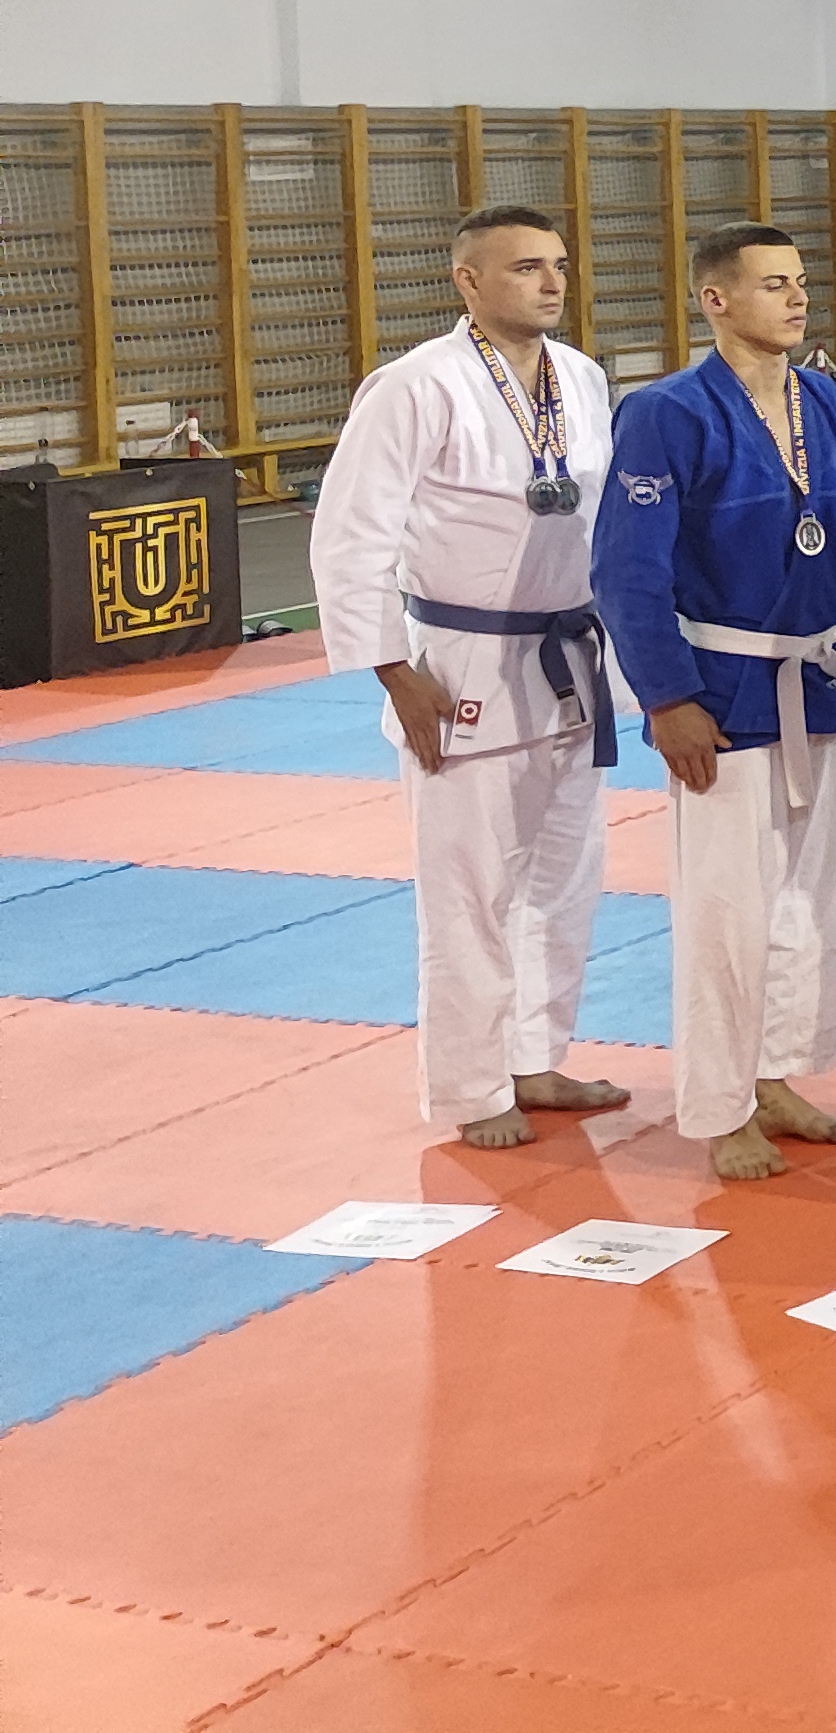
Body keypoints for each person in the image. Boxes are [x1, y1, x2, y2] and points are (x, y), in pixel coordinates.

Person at [311, 202, 629, 1149]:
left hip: (571, 658)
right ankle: (468, 1087)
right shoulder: (416, 386)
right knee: (468, 893)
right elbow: (351, 535)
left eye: (558, 264)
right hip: (461, 665)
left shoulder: (582, 376)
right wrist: (394, 672)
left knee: (564, 879)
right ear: (469, 280)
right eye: (526, 267)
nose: (551, 282)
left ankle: (534, 1057)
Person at [592, 221, 836, 1184]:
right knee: (727, 908)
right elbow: (626, 570)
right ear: (715, 300)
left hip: (818, 677)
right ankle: (721, 1107)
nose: (796, 298)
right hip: (721, 687)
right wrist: (666, 696)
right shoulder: (664, 412)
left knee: (815, 900)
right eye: (772, 285)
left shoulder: (820, 396)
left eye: (799, 281)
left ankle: (776, 1075)